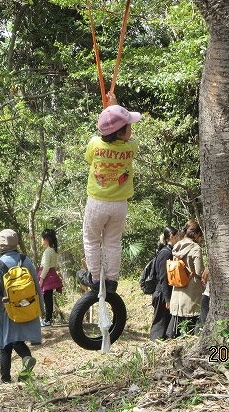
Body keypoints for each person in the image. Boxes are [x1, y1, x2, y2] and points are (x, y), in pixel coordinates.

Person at [77, 93, 142, 293]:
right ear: (121, 133)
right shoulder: (131, 147)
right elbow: (126, 136)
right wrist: (113, 107)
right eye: (129, 126)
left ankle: (95, 277)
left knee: (91, 239)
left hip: (97, 201)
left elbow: (89, 159)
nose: (131, 128)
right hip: (120, 204)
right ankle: (112, 280)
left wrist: (110, 112)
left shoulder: (95, 144)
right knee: (113, 241)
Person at [0, 229, 44, 383]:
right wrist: (41, 308)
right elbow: (36, 286)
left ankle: (5, 378)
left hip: (7, 310)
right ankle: (27, 357)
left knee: (5, 344)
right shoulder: (25, 260)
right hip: (27, 306)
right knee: (16, 340)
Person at [166, 220, 205, 339]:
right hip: (191, 292)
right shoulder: (195, 248)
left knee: (176, 325)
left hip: (177, 290)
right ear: (197, 234)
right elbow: (199, 271)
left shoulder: (177, 246)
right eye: (200, 235)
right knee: (191, 324)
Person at [149, 226, 179, 341]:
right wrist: (167, 299)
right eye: (177, 237)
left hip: (164, 293)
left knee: (164, 323)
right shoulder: (165, 253)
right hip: (162, 294)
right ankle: (154, 346)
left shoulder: (169, 252)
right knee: (159, 324)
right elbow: (163, 277)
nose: (178, 240)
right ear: (171, 237)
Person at [38, 229, 63, 327]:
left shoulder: (48, 252)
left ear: (46, 239)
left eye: (42, 238)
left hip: (47, 277)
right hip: (51, 275)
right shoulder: (54, 250)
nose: (41, 240)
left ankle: (47, 320)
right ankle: (48, 319)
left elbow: (46, 267)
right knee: (48, 298)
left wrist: (41, 278)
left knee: (47, 299)